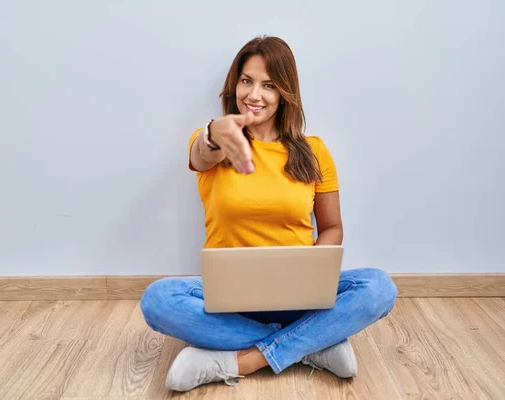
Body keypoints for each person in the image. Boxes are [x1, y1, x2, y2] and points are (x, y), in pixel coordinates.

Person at [140, 35, 397, 392]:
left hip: (298, 297)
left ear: (285, 93)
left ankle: (237, 360)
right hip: (227, 301)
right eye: (246, 81)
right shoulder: (218, 144)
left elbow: (333, 227)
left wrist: (313, 276)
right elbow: (202, 152)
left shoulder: (314, 151)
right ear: (234, 84)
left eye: (268, 85)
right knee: (157, 300)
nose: (254, 95)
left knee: (379, 286)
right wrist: (215, 131)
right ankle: (312, 345)